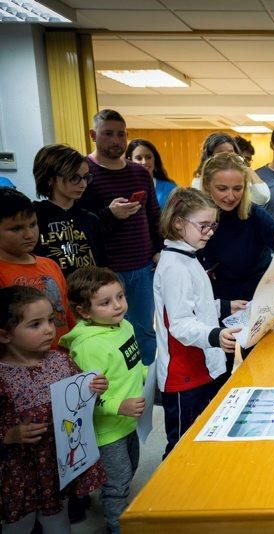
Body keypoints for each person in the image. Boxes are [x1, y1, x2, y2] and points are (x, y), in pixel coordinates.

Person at [0, 286, 107, 533]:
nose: (49, 329)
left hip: (56, 463)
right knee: (18, 523)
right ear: (5, 335)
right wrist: (9, 434)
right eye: (35, 324)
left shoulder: (60, 360)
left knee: (58, 518)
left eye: (50, 320)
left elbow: (79, 396)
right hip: (18, 470)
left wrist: (94, 387)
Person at [153, 188, 245, 456]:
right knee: (181, 446)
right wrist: (217, 335)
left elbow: (196, 307)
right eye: (203, 225)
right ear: (178, 222)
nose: (210, 232)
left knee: (199, 435)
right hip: (184, 372)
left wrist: (226, 306)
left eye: (213, 225)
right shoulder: (175, 267)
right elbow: (180, 324)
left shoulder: (187, 256)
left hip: (200, 365)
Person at [60, 267, 147, 534]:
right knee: (116, 483)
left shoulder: (125, 325)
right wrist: (118, 406)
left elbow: (131, 364)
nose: (118, 306)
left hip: (130, 422)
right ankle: (116, 526)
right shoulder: (88, 347)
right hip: (107, 431)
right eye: (106, 303)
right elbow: (82, 400)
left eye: (120, 296)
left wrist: (148, 374)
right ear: (84, 311)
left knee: (129, 470)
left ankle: (118, 507)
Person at [79, 109, 160, 366]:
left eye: (121, 134)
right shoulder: (84, 172)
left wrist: (158, 249)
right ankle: (120, 385)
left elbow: (154, 215)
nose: (116, 140)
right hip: (106, 270)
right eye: (108, 134)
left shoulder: (139, 173)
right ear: (93, 135)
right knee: (110, 331)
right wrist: (110, 214)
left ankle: (148, 385)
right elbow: (81, 222)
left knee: (144, 328)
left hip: (142, 266)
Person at [199, 152, 274, 311]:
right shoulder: (195, 218)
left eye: (237, 188)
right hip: (218, 304)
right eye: (222, 189)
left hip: (258, 301)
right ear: (207, 185)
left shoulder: (254, 213)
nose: (230, 196)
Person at [0, 188, 74, 348]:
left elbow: (67, 314)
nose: (29, 234)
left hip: (64, 357)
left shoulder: (50, 264)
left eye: (33, 224)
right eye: (16, 228)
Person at [32, 144, 107, 277]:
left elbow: (102, 264)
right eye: (74, 177)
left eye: (85, 177)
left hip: (87, 292)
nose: (83, 184)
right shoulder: (34, 216)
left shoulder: (90, 219)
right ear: (50, 178)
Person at [191, 132, 270, 206]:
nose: (227, 157)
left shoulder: (240, 178)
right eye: (221, 154)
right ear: (210, 157)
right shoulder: (199, 181)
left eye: (231, 153)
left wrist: (246, 167)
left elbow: (263, 197)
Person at [125, 139, 177, 209]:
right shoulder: (124, 188)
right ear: (129, 161)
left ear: (155, 160)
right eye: (139, 158)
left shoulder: (171, 188)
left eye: (148, 157)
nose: (144, 162)